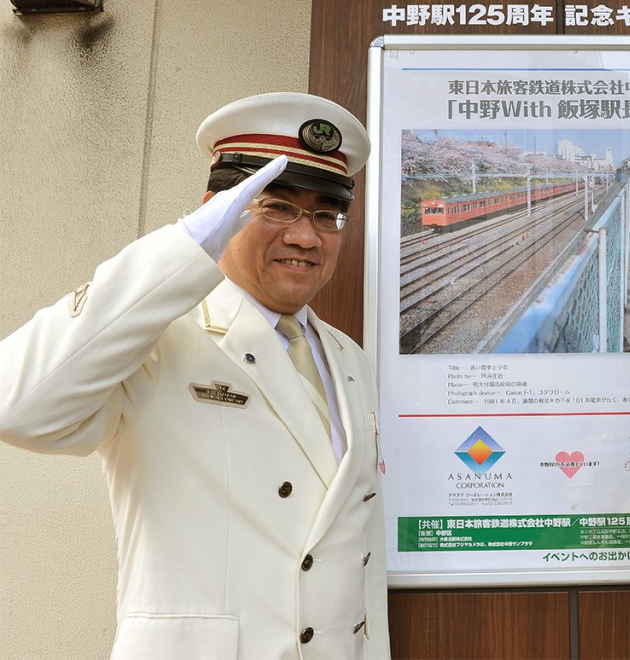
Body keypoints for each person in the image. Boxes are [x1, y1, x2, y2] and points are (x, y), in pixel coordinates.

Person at [0, 92, 390, 659]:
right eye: (276, 206)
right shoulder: (156, 337)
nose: (306, 237)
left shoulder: (348, 358)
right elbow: (17, 406)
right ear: (220, 210)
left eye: (327, 215)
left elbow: (361, 562)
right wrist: (183, 249)